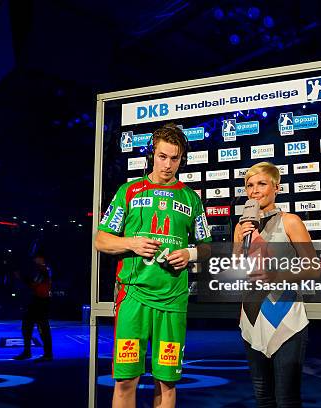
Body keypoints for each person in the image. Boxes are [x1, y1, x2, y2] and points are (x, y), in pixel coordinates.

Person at [95, 123, 212, 408]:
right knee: (125, 380)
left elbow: (207, 248)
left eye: (174, 158)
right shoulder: (129, 191)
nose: (168, 165)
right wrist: (132, 243)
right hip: (133, 297)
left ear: (182, 158)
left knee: (167, 382)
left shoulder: (192, 199)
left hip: (172, 301)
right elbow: (101, 240)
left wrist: (191, 253)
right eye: (162, 156)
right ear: (152, 155)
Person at [233, 161, 321, 408]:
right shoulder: (241, 228)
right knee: (263, 398)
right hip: (252, 316)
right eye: (249, 185)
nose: (254, 190)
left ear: (276, 188)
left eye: (261, 184)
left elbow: (313, 267)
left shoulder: (290, 221)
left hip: (285, 316)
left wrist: (276, 276)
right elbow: (236, 272)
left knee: (287, 399)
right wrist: (242, 241)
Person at [13, 250, 53, 362]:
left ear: (42, 259)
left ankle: (47, 354)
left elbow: (33, 283)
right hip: (35, 301)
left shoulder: (44, 270)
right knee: (27, 327)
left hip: (41, 301)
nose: (35, 260)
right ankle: (27, 352)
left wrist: (20, 277)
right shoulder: (42, 270)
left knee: (43, 328)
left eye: (37, 258)